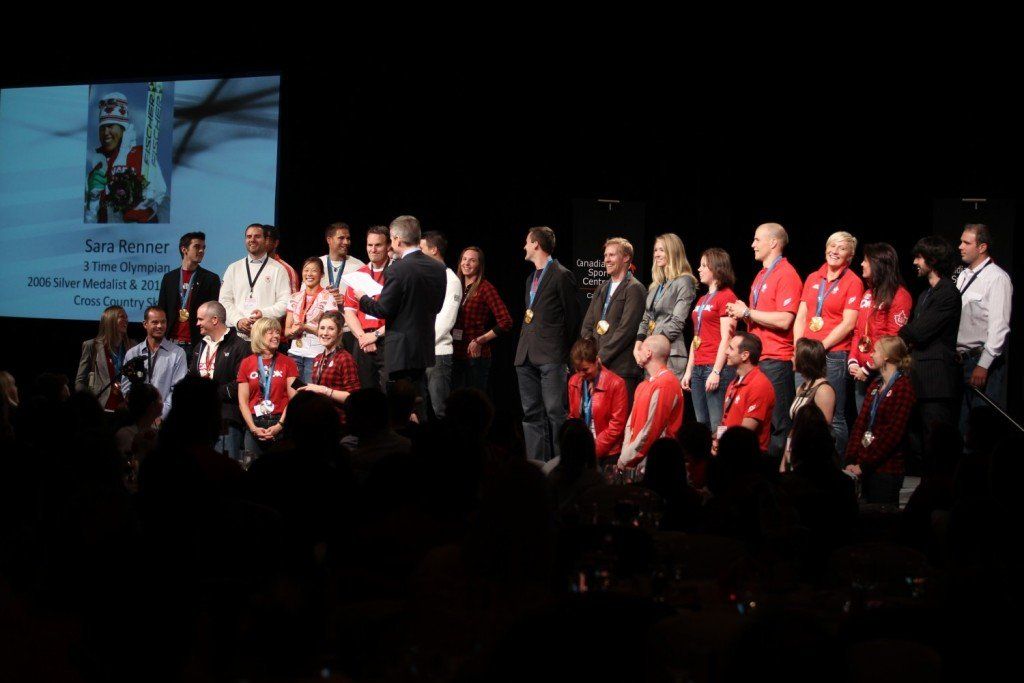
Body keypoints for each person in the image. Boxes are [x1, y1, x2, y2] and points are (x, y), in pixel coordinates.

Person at [350, 215, 446, 420]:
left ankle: (401, 438)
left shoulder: (397, 269)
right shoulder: (438, 268)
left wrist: (362, 298)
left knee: (399, 403)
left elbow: (383, 309)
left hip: (400, 348)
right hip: (423, 346)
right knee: (418, 398)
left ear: (396, 239)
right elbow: (437, 307)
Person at [726, 222, 803, 458]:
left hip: (776, 359)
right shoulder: (761, 275)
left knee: (778, 425)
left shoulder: (787, 274)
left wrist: (747, 312)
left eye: (757, 240)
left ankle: (777, 475)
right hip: (759, 359)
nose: (753, 245)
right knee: (755, 422)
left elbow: (785, 320)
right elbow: (758, 316)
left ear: (773, 242)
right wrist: (742, 313)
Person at [514, 226, 582, 463]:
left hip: (552, 355)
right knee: (531, 414)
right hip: (526, 354)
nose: (524, 246)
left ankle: (563, 464)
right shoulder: (530, 278)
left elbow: (573, 318)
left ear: (536, 244)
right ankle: (537, 465)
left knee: (555, 412)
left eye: (527, 242)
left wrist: (563, 352)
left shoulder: (562, 275)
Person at [793, 231, 864, 456]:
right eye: (832, 246)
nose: (834, 251)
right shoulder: (813, 278)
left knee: (834, 416)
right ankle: (804, 462)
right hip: (806, 353)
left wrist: (819, 347)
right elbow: (801, 316)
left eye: (841, 248)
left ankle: (836, 465)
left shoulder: (853, 281)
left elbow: (849, 323)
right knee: (802, 411)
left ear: (850, 256)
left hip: (832, 355)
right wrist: (798, 348)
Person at [898, 236, 961, 452]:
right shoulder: (926, 293)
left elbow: (918, 331)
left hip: (936, 382)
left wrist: (903, 333)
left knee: (937, 444)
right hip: (918, 379)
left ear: (932, 260)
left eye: (919, 257)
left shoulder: (948, 293)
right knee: (918, 443)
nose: (915, 262)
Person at [845, 336, 916, 505]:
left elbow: (893, 434)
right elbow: (860, 424)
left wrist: (864, 465)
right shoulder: (875, 385)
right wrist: (851, 460)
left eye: (875, 351)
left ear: (886, 357)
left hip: (887, 469)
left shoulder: (903, 388)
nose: (871, 355)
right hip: (863, 466)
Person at [956, 223, 1012, 431]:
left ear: (982, 247)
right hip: (959, 361)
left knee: (979, 427)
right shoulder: (963, 275)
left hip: (979, 362)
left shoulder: (997, 278)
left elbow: (1000, 327)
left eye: (966, 243)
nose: (960, 246)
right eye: (961, 241)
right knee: (961, 425)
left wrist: (984, 364)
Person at [847, 243, 913, 412]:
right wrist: (853, 359)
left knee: (879, 421)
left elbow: (893, 338)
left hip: (881, 372)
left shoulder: (900, 296)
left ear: (879, 264)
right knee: (862, 419)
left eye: (866, 260)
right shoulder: (868, 294)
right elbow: (858, 332)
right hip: (861, 371)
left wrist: (868, 368)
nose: (862, 264)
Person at [85, 91, 167, 223]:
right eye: (102, 128)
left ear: (123, 128)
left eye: (110, 126)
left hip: (140, 233)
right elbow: (90, 220)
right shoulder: (96, 170)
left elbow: (159, 192)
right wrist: (93, 199)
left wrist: (141, 208)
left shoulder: (142, 155)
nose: (105, 132)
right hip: (106, 235)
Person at [581, 237, 647, 400]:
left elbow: (626, 331)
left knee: (620, 415)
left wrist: (600, 358)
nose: (606, 260)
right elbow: (587, 325)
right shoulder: (601, 288)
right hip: (597, 367)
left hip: (621, 369)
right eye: (605, 255)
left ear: (626, 258)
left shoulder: (635, 288)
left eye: (612, 255)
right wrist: (590, 356)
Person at [682, 247, 739, 431]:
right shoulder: (702, 299)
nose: (699, 269)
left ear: (716, 268)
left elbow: (727, 338)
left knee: (717, 424)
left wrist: (716, 371)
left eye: (704, 265)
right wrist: (689, 370)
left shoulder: (727, 296)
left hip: (715, 367)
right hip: (698, 367)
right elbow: (696, 337)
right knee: (701, 425)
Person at [189, 301, 250, 460]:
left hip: (227, 419)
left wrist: (210, 393)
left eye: (200, 319)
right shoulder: (200, 347)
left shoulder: (240, 346)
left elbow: (241, 384)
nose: (197, 323)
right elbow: (191, 379)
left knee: (226, 468)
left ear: (214, 319)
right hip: (200, 419)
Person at [634, 233, 697, 382]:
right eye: (655, 250)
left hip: (670, 354)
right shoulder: (656, 286)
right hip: (650, 354)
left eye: (661, 250)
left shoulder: (684, 281)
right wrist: (638, 348)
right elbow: (646, 319)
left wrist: (653, 346)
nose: (656, 254)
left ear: (673, 252)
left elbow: (677, 322)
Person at [451, 246, 513, 393]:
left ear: (479, 265)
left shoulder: (485, 288)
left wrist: (480, 340)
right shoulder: (455, 285)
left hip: (475, 356)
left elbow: (506, 321)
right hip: (454, 353)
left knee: (474, 400)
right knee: (455, 399)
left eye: (472, 260)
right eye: (464, 259)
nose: (467, 263)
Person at [618, 335, 684, 470]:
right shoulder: (643, 385)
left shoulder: (666, 384)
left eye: (641, 348)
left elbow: (652, 429)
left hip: (656, 463)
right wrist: (626, 454)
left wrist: (626, 458)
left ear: (648, 353)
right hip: (634, 461)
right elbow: (630, 424)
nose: (637, 352)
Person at [236, 317, 299, 455]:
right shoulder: (246, 363)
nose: (276, 336)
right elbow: (243, 401)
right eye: (270, 332)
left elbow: (294, 398)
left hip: (280, 423)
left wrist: (280, 425)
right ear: (259, 335)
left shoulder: (288, 362)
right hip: (254, 423)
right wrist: (253, 428)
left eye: (277, 332)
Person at [219, 223, 292, 340]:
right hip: (237, 336)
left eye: (257, 236)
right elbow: (224, 300)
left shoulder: (278, 269)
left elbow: (285, 302)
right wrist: (238, 320)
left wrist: (263, 314)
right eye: (249, 237)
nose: (252, 240)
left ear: (265, 240)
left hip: (265, 336)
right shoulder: (233, 268)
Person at [567, 338, 629, 466]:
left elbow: (616, 426)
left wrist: (591, 450)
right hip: (582, 450)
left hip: (608, 453)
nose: (581, 374)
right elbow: (573, 417)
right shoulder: (573, 382)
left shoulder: (616, 384)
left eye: (585, 369)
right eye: (577, 370)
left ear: (596, 361)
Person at [420, 231, 461, 420]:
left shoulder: (451, 280)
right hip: (419, 354)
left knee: (441, 411)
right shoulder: (424, 276)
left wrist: (421, 344)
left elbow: (446, 321)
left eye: (421, 249)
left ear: (434, 250)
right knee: (419, 410)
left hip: (437, 354)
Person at [156, 231, 221, 351]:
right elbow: (161, 310)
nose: (201, 251)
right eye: (197, 247)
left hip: (197, 344)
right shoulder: (169, 278)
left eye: (203, 247)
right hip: (170, 343)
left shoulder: (210, 279)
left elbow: (214, 314)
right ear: (184, 249)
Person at [343, 226, 390, 391]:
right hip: (362, 340)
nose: (373, 249)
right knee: (364, 393)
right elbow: (349, 311)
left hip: (388, 340)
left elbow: (401, 315)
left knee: (389, 392)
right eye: (370, 245)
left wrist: (375, 336)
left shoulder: (397, 274)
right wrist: (363, 337)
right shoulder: (359, 274)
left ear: (388, 246)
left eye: (378, 245)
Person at [122, 306, 188, 419]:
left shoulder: (178, 353)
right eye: (155, 322)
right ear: (145, 324)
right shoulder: (133, 353)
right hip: (137, 419)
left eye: (163, 322)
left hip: (164, 420)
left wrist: (160, 416)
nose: (160, 326)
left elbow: (177, 391)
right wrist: (139, 413)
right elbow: (126, 387)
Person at [297, 311, 360, 425]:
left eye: (331, 329)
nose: (325, 333)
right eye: (322, 328)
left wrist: (324, 390)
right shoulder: (318, 358)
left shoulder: (345, 358)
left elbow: (354, 398)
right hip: (321, 420)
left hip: (339, 423)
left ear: (339, 332)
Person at [783, 338, 836, 471]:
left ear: (804, 360)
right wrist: (784, 460)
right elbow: (794, 427)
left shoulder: (823, 390)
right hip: (796, 454)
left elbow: (823, 431)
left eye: (794, 355)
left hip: (812, 461)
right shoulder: (801, 388)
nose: (791, 359)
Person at [720, 332, 777, 456]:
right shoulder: (733, 383)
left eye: (731, 348)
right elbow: (725, 420)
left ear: (745, 355)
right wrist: (718, 441)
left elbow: (745, 433)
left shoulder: (760, 385)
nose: (726, 352)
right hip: (730, 452)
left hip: (748, 458)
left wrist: (723, 447)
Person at [284, 257, 339, 383]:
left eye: (314, 270)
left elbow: (332, 333)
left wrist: (306, 327)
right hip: (295, 354)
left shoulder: (328, 298)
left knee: (311, 392)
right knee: (295, 392)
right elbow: (286, 332)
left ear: (322, 274)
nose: (309, 274)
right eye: (306, 270)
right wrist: (293, 331)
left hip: (316, 355)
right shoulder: (294, 297)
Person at [75, 305, 135, 411]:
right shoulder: (92, 346)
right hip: (100, 408)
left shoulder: (133, 346)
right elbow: (80, 381)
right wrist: (87, 404)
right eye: (122, 317)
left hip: (126, 407)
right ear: (110, 320)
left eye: (126, 317)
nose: (126, 320)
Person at [321, 221, 365, 351]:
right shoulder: (317, 264)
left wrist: (346, 301)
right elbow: (305, 295)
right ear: (329, 240)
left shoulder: (359, 267)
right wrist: (324, 298)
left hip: (348, 330)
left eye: (348, 238)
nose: (346, 242)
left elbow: (367, 300)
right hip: (322, 330)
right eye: (341, 238)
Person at [264, 224, 300, 294]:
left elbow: (293, 299)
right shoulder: (248, 266)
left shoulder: (287, 270)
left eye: (266, 239)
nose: (262, 242)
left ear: (276, 243)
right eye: (260, 238)